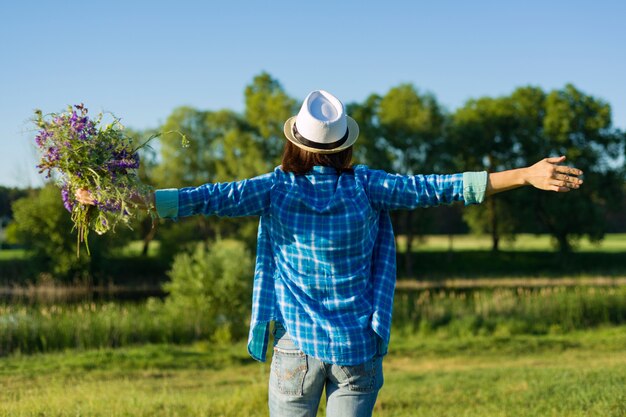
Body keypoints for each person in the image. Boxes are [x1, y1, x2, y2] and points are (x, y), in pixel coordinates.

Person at [76, 89, 583, 417]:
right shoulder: (368, 186)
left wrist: (114, 197)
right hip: (357, 352)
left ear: (296, 142)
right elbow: (440, 187)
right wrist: (525, 174)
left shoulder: (275, 188)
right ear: (344, 146)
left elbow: (201, 198)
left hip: (296, 350)